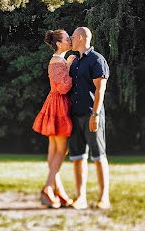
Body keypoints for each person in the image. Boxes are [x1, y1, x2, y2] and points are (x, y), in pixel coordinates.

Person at [32, 29, 77, 208]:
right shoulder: (58, 62)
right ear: (59, 43)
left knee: (54, 150)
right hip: (58, 105)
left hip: (56, 103)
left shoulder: (60, 60)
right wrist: (70, 67)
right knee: (61, 150)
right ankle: (48, 188)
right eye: (67, 38)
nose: (70, 40)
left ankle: (59, 191)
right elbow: (63, 87)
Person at [68, 26, 111, 210]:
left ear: (79, 37)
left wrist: (95, 114)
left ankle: (104, 198)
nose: (70, 39)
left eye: (72, 36)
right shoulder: (75, 61)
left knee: (99, 157)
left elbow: (100, 90)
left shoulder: (97, 60)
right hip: (74, 116)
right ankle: (81, 198)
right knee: (78, 157)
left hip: (92, 115)